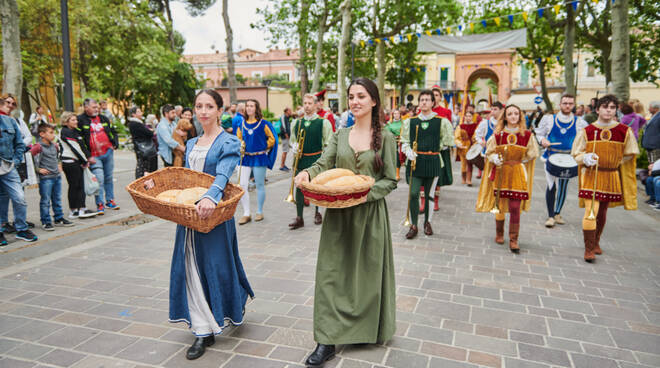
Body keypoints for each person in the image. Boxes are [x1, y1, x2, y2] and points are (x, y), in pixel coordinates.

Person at [294, 78, 397, 366]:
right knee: (330, 275)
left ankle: (365, 328)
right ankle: (325, 340)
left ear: (374, 101)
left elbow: (390, 180)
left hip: (370, 216)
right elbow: (322, 164)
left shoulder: (386, 138)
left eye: (361, 96)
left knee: (366, 276)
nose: (355, 102)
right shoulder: (340, 135)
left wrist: (364, 195)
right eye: (351, 97)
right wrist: (307, 174)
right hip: (337, 216)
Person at [162, 89, 253, 360]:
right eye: (199, 106)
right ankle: (202, 329)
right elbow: (188, 179)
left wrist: (209, 198)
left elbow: (224, 173)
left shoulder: (229, 142)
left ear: (219, 111)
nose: (203, 111)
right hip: (189, 215)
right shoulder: (191, 143)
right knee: (190, 265)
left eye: (209, 106)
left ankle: (233, 298)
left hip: (215, 213)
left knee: (218, 264)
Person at [572, 94, 638, 263]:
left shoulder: (624, 131)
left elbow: (630, 153)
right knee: (591, 211)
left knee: (602, 212)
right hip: (591, 175)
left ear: (616, 110)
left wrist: (615, 161)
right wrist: (585, 158)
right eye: (605, 107)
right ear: (597, 109)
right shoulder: (587, 131)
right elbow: (577, 153)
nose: (608, 110)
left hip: (610, 175)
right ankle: (588, 249)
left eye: (612, 108)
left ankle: (596, 242)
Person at [476, 104, 539, 253]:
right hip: (501, 172)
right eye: (509, 114)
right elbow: (489, 152)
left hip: (517, 172)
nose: (513, 116)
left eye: (516, 114)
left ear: (520, 116)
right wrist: (493, 158)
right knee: (500, 204)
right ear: (504, 117)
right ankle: (499, 232)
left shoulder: (527, 135)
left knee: (515, 207)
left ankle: (513, 239)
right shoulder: (498, 135)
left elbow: (532, 153)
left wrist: (521, 160)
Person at [401, 90, 454, 239]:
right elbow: (404, 140)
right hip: (415, 161)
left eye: (427, 99)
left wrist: (436, 148)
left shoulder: (441, 121)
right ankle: (414, 225)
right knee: (413, 194)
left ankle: (427, 222)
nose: (424, 102)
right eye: (422, 99)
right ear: (419, 102)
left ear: (433, 103)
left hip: (433, 161)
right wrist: (408, 150)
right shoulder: (410, 121)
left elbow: (448, 141)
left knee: (430, 195)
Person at [535, 94, 588, 228]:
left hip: (569, 159)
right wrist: (543, 141)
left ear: (573, 105)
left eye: (570, 103)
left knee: (564, 186)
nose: (567, 106)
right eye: (565, 103)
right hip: (551, 156)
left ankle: (557, 213)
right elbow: (539, 133)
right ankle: (550, 216)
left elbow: (586, 138)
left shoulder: (580, 122)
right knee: (551, 185)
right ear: (560, 104)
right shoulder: (549, 119)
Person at [288, 95, 333, 230]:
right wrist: (294, 146)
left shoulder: (323, 122)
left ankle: (318, 212)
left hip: (316, 159)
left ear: (315, 105)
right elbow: (293, 139)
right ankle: (299, 216)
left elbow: (328, 143)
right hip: (300, 159)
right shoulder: (296, 122)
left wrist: (324, 159)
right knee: (299, 187)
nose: (307, 105)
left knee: (316, 187)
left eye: (309, 103)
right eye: (305, 103)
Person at [235, 99, 278, 225]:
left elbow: (272, 138)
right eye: (247, 106)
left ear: (256, 108)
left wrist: (264, 146)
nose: (249, 108)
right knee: (242, 185)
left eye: (251, 106)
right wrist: (240, 145)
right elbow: (238, 139)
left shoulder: (263, 124)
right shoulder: (241, 125)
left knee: (259, 185)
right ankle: (246, 213)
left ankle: (259, 211)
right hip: (245, 158)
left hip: (259, 157)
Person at [0, 102, 37, 244]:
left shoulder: (9, 122)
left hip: (8, 167)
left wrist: (15, 160)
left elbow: (20, 144)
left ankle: (21, 229)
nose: (10, 106)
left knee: (19, 197)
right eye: (7, 104)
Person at [77, 98, 120, 214]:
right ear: (86, 108)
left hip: (107, 153)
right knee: (99, 179)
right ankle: (100, 203)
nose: (97, 109)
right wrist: (87, 156)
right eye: (94, 107)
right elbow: (79, 140)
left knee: (108, 178)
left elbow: (113, 131)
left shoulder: (104, 118)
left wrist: (115, 143)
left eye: (97, 107)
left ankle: (110, 200)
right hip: (93, 156)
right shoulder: (80, 120)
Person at [30, 123, 75, 230]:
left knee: (57, 199)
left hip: (57, 177)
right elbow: (28, 158)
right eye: (50, 132)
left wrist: (60, 164)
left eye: (53, 132)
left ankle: (58, 218)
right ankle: (46, 221)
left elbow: (58, 156)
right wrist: (38, 169)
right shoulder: (38, 146)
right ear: (42, 134)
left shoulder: (54, 145)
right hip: (46, 179)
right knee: (45, 201)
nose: (53, 135)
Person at [59, 112, 97, 219]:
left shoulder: (74, 131)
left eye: (76, 119)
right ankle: (77, 210)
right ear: (66, 122)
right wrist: (85, 161)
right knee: (76, 186)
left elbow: (82, 146)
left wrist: (87, 157)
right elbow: (75, 148)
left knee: (77, 186)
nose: (76, 121)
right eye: (73, 120)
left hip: (75, 161)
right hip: (70, 162)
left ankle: (78, 209)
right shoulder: (66, 132)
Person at [475, 102, 504, 180]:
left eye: (495, 109)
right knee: (489, 174)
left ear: (501, 110)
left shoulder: (505, 123)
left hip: (502, 153)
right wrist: (481, 142)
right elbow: (477, 134)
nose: (493, 111)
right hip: (489, 153)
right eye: (492, 109)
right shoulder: (486, 123)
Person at [127, 107, 158, 178]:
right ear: (133, 114)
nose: (141, 113)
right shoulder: (135, 124)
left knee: (144, 168)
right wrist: (151, 131)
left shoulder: (137, 123)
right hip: (143, 149)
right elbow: (149, 133)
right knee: (144, 169)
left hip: (142, 149)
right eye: (139, 111)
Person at [454, 110, 479, 186]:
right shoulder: (460, 126)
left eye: (470, 116)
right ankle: (463, 178)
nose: (468, 118)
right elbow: (457, 137)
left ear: (472, 117)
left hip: (471, 147)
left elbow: (477, 136)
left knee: (470, 163)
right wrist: (459, 144)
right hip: (463, 147)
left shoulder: (476, 126)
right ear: (464, 117)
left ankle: (469, 179)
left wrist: (475, 144)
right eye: (467, 116)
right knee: (463, 164)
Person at [385, 108, 404, 180]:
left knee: (399, 157)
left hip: (402, 142)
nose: (396, 115)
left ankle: (397, 173)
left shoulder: (403, 123)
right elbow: (387, 132)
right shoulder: (389, 123)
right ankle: (391, 173)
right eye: (395, 114)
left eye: (398, 113)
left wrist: (401, 138)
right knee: (393, 157)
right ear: (393, 115)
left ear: (400, 115)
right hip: (392, 142)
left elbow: (405, 132)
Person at [278, 107, 292, 172]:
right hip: (284, 136)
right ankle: (282, 166)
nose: (291, 111)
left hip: (287, 136)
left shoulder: (287, 117)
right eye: (290, 110)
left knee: (286, 151)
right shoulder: (283, 117)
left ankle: (283, 164)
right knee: (285, 150)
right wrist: (286, 134)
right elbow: (283, 126)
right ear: (286, 111)